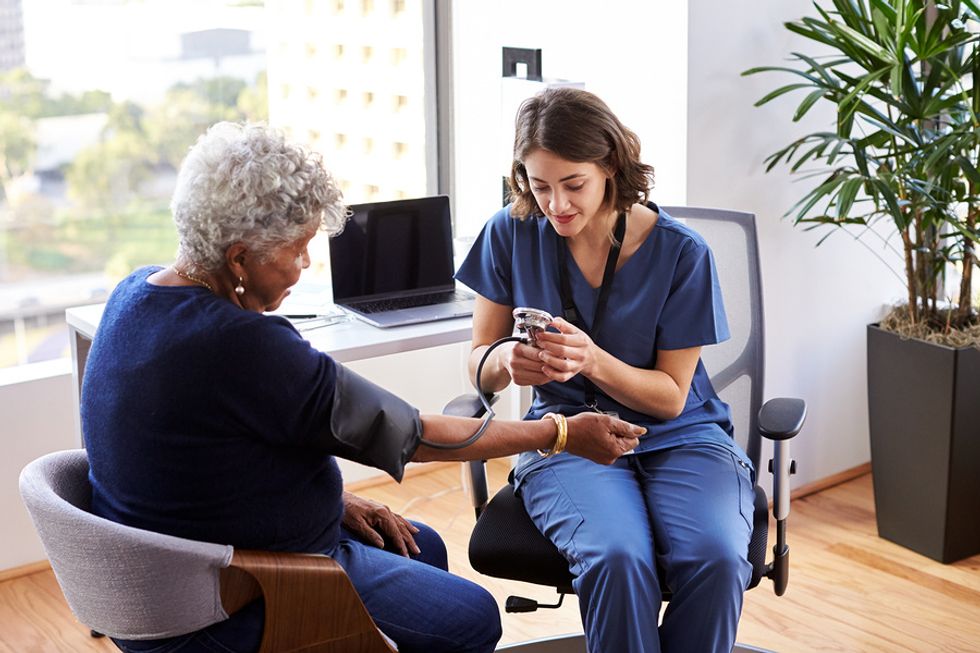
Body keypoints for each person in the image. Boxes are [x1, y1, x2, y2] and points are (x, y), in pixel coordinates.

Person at [80, 121, 645, 653]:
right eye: (297, 249)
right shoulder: (244, 344)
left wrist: (332, 500)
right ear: (239, 258)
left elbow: (204, 455)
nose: (305, 264)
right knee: (473, 618)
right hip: (234, 593)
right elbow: (412, 434)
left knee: (423, 545)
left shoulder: (135, 295)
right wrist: (559, 431)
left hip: (173, 573)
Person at [455, 87, 756, 653]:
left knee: (714, 559)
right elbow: (478, 361)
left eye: (573, 185)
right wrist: (504, 363)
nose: (555, 205)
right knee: (616, 557)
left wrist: (591, 358)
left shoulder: (681, 253)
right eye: (539, 186)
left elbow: (670, 397)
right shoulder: (510, 232)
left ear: (611, 166)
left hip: (682, 436)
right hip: (567, 438)